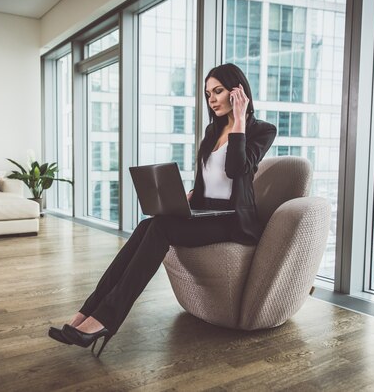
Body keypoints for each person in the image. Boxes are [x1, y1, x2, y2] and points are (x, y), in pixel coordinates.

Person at [48, 63, 277, 357]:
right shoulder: (212, 130)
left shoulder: (261, 130)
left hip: (233, 221)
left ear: (238, 91)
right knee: (148, 224)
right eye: (208, 94)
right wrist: (188, 198)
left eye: (218, 91)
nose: (212, 99)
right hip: (206, 212)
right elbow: (207, 179)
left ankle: (104, 320)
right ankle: (86, 313)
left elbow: (235, 169)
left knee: (161, 228)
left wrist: (240, 121)